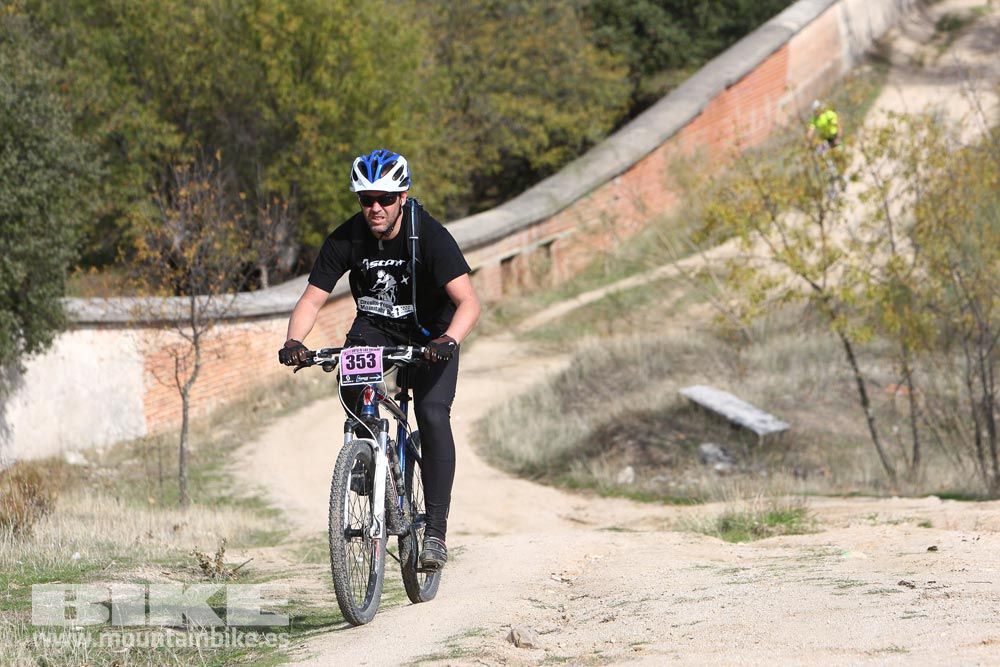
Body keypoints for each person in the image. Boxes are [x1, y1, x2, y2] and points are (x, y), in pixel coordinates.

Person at [278, 149, 481, 571]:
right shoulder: (346, 238)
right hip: (377, 328)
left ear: (402, 196)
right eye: (366, 198)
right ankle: (368, 455)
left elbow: (469, 303)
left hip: (431, 334)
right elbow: (312, 299)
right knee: (353, 385)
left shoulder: (431, 236)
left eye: (385, 199)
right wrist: (294, 340)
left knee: (430, 412)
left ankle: (436, 534)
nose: (375, 207)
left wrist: (448, 340)